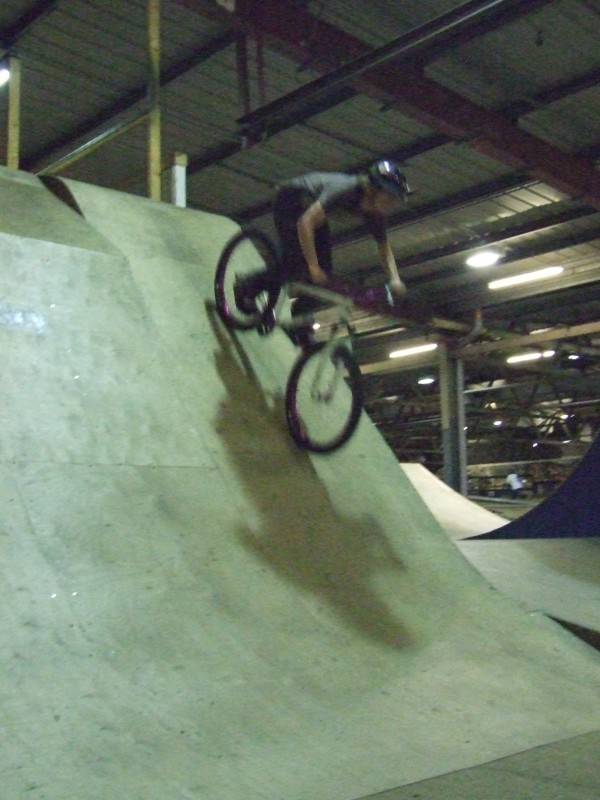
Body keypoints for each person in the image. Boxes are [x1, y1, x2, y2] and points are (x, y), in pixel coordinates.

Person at [234, 160, 412, 332]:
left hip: (313, 211)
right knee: (295, 261)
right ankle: (247, 287)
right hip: (291, 199)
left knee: (324, 274)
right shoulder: (346, 189)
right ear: (373, 189)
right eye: (389, 199)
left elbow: (384, 247)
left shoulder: (374, 212)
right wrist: (312, 265)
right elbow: (305, 223)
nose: (390, 205)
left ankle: (299, 322)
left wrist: (395, 279)